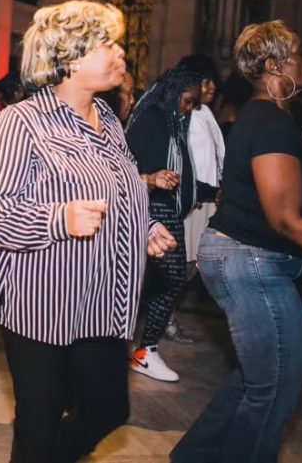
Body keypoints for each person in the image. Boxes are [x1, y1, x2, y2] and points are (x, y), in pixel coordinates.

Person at [0, 0, 176, 463]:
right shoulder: (19, 123)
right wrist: (58, 219)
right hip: (42, 300)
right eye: (109, 44)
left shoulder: (108, 121)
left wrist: (144, 226)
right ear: (71, 58)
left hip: (103, 301)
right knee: (39, 420)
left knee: (108, 409)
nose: (121, 53)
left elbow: (116, 189)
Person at [171, 21, 302, 463]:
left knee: (257, 379)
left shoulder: (276, 117)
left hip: (253, 257)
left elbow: (293, 216)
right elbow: (284, 219)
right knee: (275, 391)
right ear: (273, 65)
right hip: (249, 261)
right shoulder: (267, 121)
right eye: (300, 53)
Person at [125, 65, 202, 381]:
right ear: (174, 93)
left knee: (165, 279)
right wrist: (154, 180)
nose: (190, 108)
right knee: (169, 277)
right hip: (153, 208)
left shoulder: (173, 121)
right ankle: (145, 350)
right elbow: (130, 164)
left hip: (168, 208)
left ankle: (145, 348)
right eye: (188, 100)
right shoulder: (152, 119)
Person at [171, 55, 225, 344]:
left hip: (207, 201)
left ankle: (166, 316)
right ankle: (163, 319)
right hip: (192, 200)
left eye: (213, 81)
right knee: (183, 266)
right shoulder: (185, 113)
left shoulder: (205, 114)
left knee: (191, 266)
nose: (212, 87)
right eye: (205, 80)